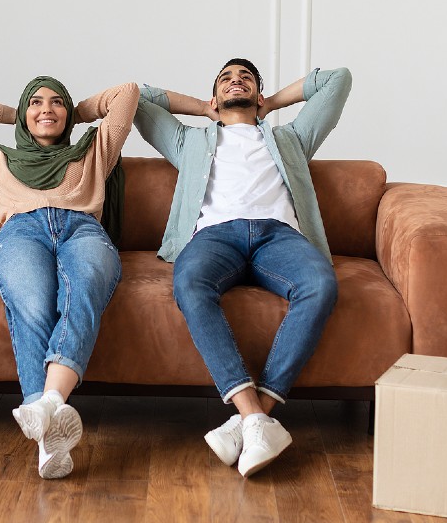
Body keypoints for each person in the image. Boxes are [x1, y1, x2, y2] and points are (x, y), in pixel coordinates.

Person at [134, 59, 352, 476]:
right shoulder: (188, 142)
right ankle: (257, 419)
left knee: (320, 285)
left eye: (246, 78)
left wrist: (273, 104)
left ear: (258, 93)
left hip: (280, 237)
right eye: (226, 78)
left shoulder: (291, 138)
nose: (236, 81)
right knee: (191, 284)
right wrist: (201, 106)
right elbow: (136, 96)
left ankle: (250, 418)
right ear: (216, 94)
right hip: (214, 237)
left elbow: (337, 80)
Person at [0, 77, 139, 479]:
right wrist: (17, 110)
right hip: (22, 232)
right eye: (34, 103)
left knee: (82, 291)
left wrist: (74, 111)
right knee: (33, 304)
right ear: (23, 114)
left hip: (83, 230)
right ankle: (49, 437)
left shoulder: (94, 152)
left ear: (69, 113)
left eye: (56, 103)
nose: (45, 109)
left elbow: (128, 93)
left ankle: (48, 404)